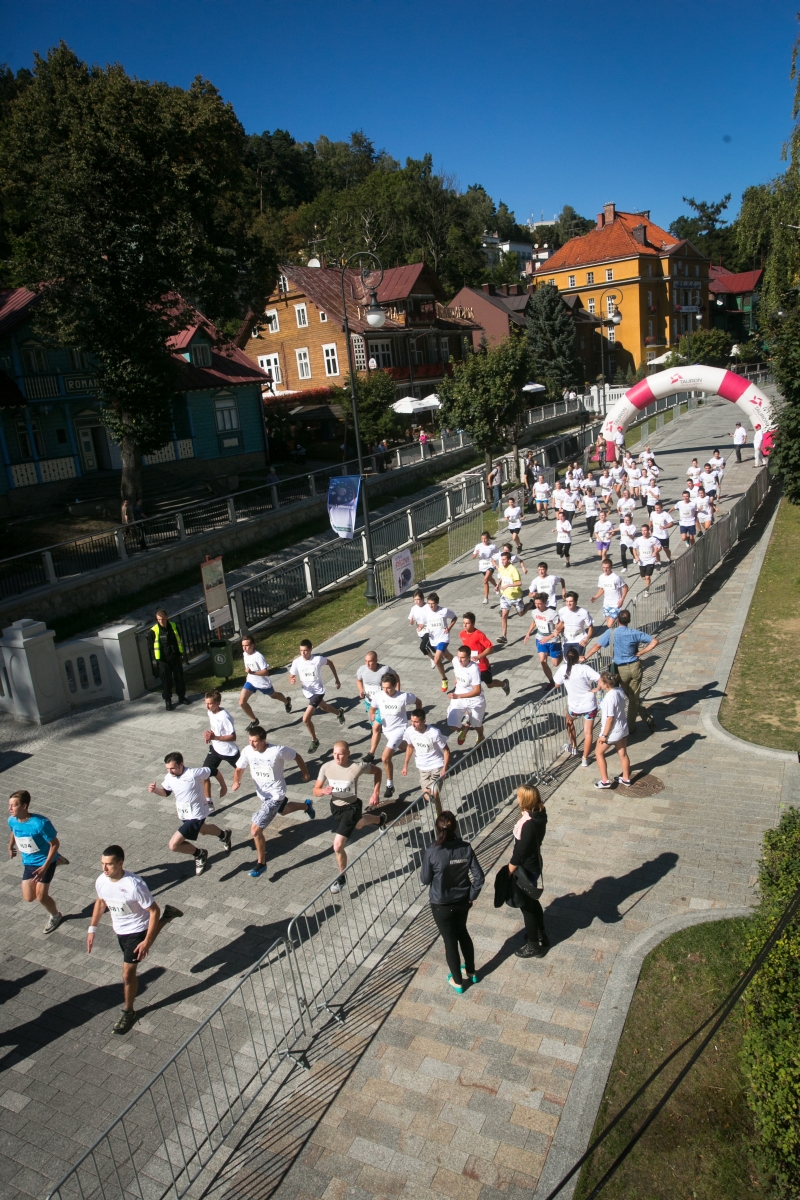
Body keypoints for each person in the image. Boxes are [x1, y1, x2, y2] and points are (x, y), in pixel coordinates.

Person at [87, 844, 183, 1034]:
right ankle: (169, 916)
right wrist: (92, 929)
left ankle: (128, 1011)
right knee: (133, 960)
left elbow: (153, 910)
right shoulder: (101, 881)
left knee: (127, 975)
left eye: (109, 864)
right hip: (120, 931)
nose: (104, 868)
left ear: (120, 863)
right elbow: (101, 902)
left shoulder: (134, 885)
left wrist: (146, 941)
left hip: (137, 930)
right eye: (102, 863)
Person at [232, 727, 312, 878]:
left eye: (255, 741)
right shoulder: (248, 751)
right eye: (250, 740)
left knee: (255, 830)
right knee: (283, 810)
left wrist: (305, 773)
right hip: (263, 795)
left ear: (263, 740)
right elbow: (239, 768)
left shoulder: (277, 751)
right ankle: (306, 806)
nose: (251, 744)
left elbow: (297, 756)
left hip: (275, 796)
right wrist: (236, 781)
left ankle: (261, 864)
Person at [420, 811, 484, 994]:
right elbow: (479, 878)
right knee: (462, 932)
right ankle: (471, 971)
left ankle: (457, 981)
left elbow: (425, 879)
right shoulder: (465, 848)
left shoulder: (433, 851)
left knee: (450, 941)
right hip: (463, 901)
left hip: (441, 904)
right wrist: (471, 895)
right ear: (455, 827)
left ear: (437, 829)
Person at [313, 740, 384, 895]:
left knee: (338, 845)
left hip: (352, 808)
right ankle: (380, 820)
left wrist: (376, 793)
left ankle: (341, 878)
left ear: (348, 754)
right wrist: (323, 791)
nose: (337, 757)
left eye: (340, 754)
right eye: (334, 754)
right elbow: (315, 790)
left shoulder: (357, 767)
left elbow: (378, 771)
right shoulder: (326, 767)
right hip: (335, 808)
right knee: (359, 824)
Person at [149, 753, 232, 874]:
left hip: (196, 815)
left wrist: (223, 787)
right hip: (184, 814)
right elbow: (166, 792)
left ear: (181, 764)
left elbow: (214, 771)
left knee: (173, 845)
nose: (170, 771)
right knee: (203, 830)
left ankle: (199, 854)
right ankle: (224, 835)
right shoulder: (169, 777)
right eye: (167, 768)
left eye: (172, 768)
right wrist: (155, 790)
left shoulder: (193, 773)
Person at [584, 609, 658, 736]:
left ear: (617, 620)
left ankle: (631, 727)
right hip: (635, 667)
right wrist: (641, 653)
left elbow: (597, 646)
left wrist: (585, 657)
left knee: (631, 697)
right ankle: (646, 718)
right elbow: (655, 641)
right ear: (629, 620)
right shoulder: (634, 633)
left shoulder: (611, 632)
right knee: (633, 697)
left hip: (621, 669)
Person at [7, 789, 68, 935]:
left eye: (14, 805)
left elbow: (55, 844)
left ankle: (56, 916)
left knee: (41, 897)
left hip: (44, 862)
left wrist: (45, 867)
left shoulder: (40, 823)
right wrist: (10, 846)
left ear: (24, 806)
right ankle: (56, 859)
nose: (10, 808)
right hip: (29, 862)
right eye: (9, 805)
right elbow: (14, 831)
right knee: (29, 897)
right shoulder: (12, 820)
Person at [504, 786, 549, 958]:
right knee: (532, 902)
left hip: (526, 869)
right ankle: (540, 933)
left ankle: (533, 945)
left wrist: (508, 872)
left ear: (525, 800)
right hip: (534, 864)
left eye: (519, 796)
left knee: (527, 908)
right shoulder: (540, 814)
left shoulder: (529, 824)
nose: (517, 799)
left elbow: (519, 853)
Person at [368, 673, 422, 797]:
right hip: (387, 730)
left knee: (385, 758)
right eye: (383, 687)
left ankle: (390, 785)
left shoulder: (403, 697)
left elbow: (418, 701)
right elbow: (372, 708)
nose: (386, 690)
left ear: (395, 686)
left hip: (399, 729)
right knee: (403, 746)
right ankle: (416, 745)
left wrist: (417, 718)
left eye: (389, 688)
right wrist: (372, 715)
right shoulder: (379, 696)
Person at [289, 639, 345, 753]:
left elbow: (330, 663)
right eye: (301, 650)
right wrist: (292, 679)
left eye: (305, 650)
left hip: (318, 692)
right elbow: (291, 675)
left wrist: (337, 679)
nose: (303, 653)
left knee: (305, 719)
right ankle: (339, 713)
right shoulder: (296, 662)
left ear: (311, 650)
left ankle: (315, 740)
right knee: (324, 707)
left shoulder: (318, 659)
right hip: (307, 692)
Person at [554, 648, 600, 766]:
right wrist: (597, 689)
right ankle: (585, 758)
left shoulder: (563, 669)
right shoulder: (584, 668)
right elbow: (600, 679)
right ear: (577, 658)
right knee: (588, 732)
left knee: (569, 721)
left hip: (575, 707)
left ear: (566, 658)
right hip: (589, 705)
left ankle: (574, 746)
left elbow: (557, 684)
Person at [238, 635, 291, 731]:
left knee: (274, 695)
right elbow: (248, 667)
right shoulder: (245, 654)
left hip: (262, 683)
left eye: (247, 645)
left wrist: (252, 673)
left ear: (252, 645)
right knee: (242, 702)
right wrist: (248, 676)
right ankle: (254, 720)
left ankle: (286, 702)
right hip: (251, 682)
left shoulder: (258, 657)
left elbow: (266, 672)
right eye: (243, 646)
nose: (244, 648)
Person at [401, 710, 450, 812]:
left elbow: (446, 751)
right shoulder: (409, 731)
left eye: (416, 722)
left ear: (424, 721)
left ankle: (439, 815)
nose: (413, 724)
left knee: (435, 792)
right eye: (412, 721)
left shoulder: (434, 733)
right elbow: (410, 747)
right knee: (426, 794)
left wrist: (445, 768)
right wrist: (405, 765)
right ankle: (437, 808)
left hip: (437, 765)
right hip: (422, 767)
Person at [594, 671, 633, 789]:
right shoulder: (619, 690)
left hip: (612, 732)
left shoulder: (609, 698)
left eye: (600, 682)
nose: (598, 683)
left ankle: (605, 781)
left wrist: (604, 736)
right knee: (623, 754)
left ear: (606, 684)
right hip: (622, 728)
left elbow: (610, 718)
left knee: (598, 753)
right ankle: (626, 778)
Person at [202, 690, 239, 803]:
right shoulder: (210, 712)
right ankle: (208, 802)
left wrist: (215, 737)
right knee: (204, 774)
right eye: (206, 703)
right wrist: (210, 736)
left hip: (229, 752)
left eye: (210, 704)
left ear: (218, 703)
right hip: (215, 750)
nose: (207, 706)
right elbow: (215, 729)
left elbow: (233, 737)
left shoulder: (225, 717)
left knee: (245, 768)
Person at [460, 612, 510, 695]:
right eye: (463, 623)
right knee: (472, 686)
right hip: (470, 665)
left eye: (467, 623)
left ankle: (504, 684)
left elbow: (491, 648)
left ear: (473, 623)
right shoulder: (462, 634)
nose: (465, 625)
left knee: (490, 684)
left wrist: (478, 656)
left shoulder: (479, 635)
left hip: (482, 667)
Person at [149, 608, 189, 710]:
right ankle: (168, 700)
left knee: (179, 678)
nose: (161, 621)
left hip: (175, 657)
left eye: (162, 619)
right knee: (166, 681)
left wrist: (179, 653)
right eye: (159, 619)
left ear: (167, 617)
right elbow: (151, 646)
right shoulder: (153, 631)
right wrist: (157, 659)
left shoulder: (174, 626)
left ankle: (181, 696)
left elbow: (178, 639)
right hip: (163, 661)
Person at [447, 645, 486, 747]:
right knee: (452, 725)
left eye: (463, 658)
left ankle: (481, 736)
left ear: (469, 657)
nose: (460, 660)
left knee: (477, 724)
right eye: (458, 657)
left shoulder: (474, 669)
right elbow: (454, 665)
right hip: (459, 698)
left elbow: (477, 691)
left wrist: (458, 696)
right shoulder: (456, 661)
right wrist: (456, 678)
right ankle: (464, 729)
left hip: (475, 700)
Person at [523, 592, 563, 688]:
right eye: (536, 603)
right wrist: (528, 633)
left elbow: (560, 627)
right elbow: (534, 622)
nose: (537, 606)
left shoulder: (552, 614)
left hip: (553, 640)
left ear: (545, 603)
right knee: (542, 661)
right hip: (540, 639)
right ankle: (551, 682)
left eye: (539, 604)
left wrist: (550, 637)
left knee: (555, 664)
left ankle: (562, 652)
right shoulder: (534, 612)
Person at [422, 593, 457, 691]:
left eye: (432, 604)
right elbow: (425, 622)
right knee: (446, 655)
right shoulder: (426, 611)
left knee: (437, 660)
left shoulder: (444, 611)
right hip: (433, 640)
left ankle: (444, 679)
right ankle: (459, 663)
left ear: (437, 603)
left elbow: (454, 617)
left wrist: (449, 628)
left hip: (443, 638)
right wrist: (423, 627)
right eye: (429, 603)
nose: (431, 606)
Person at [356, 650, 396, 734]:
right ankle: (376, 729)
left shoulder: (384, 669)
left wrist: (397, 691)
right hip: (369, 702)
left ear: (376, 660)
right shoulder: (362, 669)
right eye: (366, 661)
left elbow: (396, 677)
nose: (367, 664)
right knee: (372, 720)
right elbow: (358, 680)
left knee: (376, 726)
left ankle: (375, 731)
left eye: (370, 661)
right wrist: (361, 690)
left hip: (382, 702)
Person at [495, 550, 526, 645]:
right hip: (505, 596)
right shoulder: (502, 568)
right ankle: (504, 637)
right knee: (504, 615)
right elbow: (502, 576)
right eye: (502, 559)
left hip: (515, 597)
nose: (502, 561)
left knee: (521, 614)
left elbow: (519, 583)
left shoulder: (513, 570)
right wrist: (497, 585)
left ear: (509, 560)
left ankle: (530, 604)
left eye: (504, 559)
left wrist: (508, 585)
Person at [591, 557, 628, 627]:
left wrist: (622, 599)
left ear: (611, 567)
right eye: (603, 567)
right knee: (610, 625)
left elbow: (625, 587)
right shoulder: (601, 577)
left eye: (607, 567)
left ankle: (620, 627)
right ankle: (619, 629)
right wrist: (596, 597)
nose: (605, 569)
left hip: (615, 604)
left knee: (609, 625)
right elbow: (602, 588)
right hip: (606, 604)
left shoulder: (616, 578)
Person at [557, 591, 594, 659]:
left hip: (579, 640)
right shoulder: (562, 611)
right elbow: (561, 624)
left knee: (578, 660)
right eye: (567, 601)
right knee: (567, 660)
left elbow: (590, 627)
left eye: (571, 601)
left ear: (576, 602)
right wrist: (556, 630)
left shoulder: (584, 612)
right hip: (567, 640)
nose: (568, 604)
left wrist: (586, 639)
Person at [632, 523, 662, 597]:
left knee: (647, 576)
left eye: (645, 530)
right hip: (642, 561)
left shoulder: (653, 539)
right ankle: (647, 581)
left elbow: (660, 547)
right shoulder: (638, 540)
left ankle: (647, 591)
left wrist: (655, 552)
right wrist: (636, 556)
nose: (644, 532)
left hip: (650, 560)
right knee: (644, 577)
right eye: (642, 530)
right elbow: (634, 548)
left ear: (648, 531)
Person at [408, 588, 435, 664]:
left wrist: (424, 624)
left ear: (422, 599)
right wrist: (412, 621)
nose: (417, 601)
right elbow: (411, 623)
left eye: (418, 599)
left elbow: (434, 616)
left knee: (423, 646)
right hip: (421, 631)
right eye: (415, 599)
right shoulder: (413, 609)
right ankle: (433, 658)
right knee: (430, 646)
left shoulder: (428, 606)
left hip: (430, 629)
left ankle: (438, 658)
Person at [471, 531, 497, 604]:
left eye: (485, 539)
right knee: (490, 579)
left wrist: (495, 560)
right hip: (482, 565)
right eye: (482, 539)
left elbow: (498, 553)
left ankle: (486, 598)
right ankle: (497, 586)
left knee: (485, 580)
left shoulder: (493, 546)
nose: (483, 540)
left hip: (490, 564)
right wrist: (476, 554)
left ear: (488, 538)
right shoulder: (478, 546)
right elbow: (473, 557)